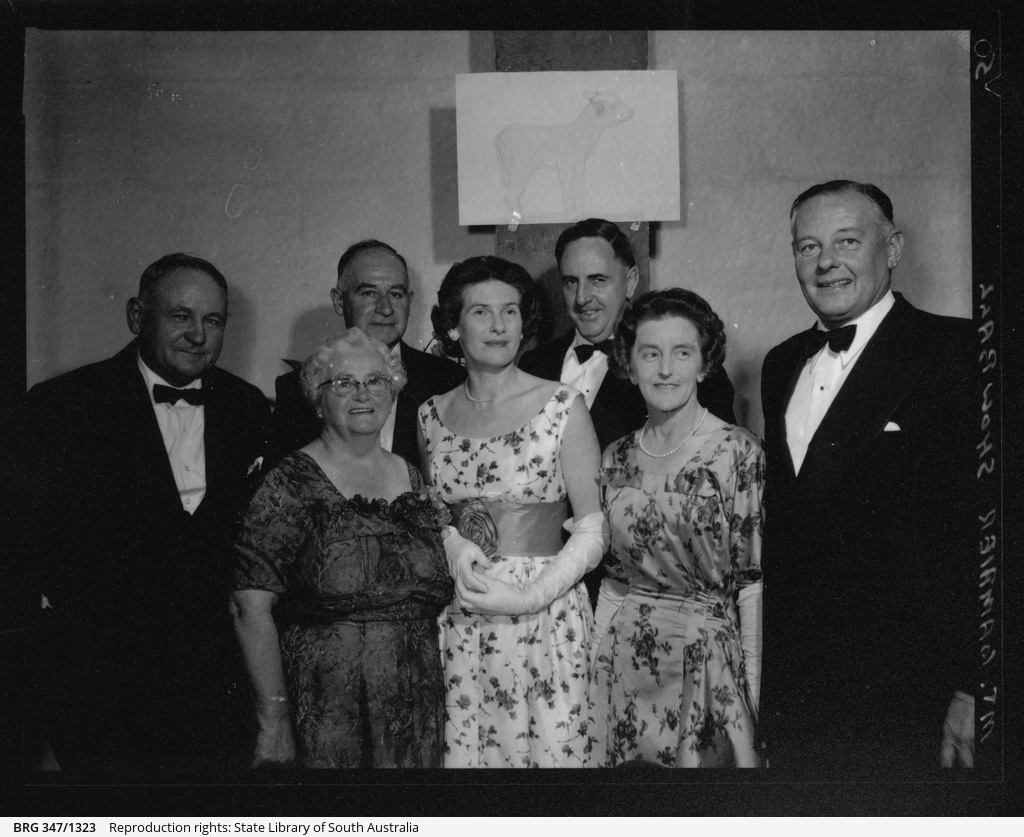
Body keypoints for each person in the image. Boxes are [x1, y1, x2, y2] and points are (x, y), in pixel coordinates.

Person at [21, 253, 270, 777]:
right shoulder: (62, 406)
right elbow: (33, 553)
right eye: (180, 316)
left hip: (216, 697)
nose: (198, 335)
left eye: (213, 320)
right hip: (102, 693)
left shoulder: (248, 408)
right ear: (137, 317)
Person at [759, 180, 976, 776]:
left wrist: (975, 684)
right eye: (807, 247)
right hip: (799, 690)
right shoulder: (782, 363)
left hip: (915, 690)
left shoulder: (960, 352)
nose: (825, 262)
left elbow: (987, 534)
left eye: (847, 241)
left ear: (894, 248)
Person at [417, 256, 608, 767]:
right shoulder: (429, 414)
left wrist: (528, 596)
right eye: (481, 312)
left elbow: (593, 530)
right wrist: (450, 541)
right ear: (453, 326)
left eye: (511, 311)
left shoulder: (564, 404)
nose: (499, 326)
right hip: (462, 615)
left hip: (544, 618)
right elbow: (429, 513)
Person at [232, 329, 453, 769]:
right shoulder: (289, 483)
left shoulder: (411, 475)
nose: (362, 394)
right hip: (330, 707)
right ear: (317, 397)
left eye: (375, 381)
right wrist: (273, 721)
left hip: (417, 708)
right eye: (344, 383)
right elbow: (248, 608)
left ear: (392, 393)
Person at [519, 219, 737, 606]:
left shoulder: (676, 374)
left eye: (598, 280)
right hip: (537, 576)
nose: (582, 297)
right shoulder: (532, 365)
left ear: (631, 281)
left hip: (636, 587)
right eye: (571, 282)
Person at [588, 289, 764, 767]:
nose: (665, 369)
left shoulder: (737, 452)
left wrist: (753, 697)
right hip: (624, 662)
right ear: (630, 363)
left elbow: (750, 586)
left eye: (682, 353)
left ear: (704, 364)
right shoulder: (616, 456)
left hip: (706, 662)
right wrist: (589, 671)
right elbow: (615, 582)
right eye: (651, 353)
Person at [273, 239, 465, 466]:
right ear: (339, 301)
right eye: (369, 293)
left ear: (409, 302)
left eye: (396, 294)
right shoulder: (295, 389)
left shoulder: (449, 381)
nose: (385, 308)